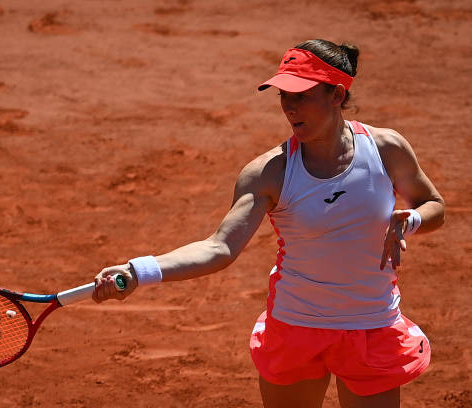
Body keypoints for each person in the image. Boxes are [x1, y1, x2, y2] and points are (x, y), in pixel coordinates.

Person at [92, 39, 445, 408]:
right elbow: (220, 247)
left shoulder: (386, 150)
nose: (289, 107)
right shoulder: (269, 172)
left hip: (372, 324)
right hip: (297, 327)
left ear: (337, 95)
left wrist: (414, 219)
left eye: (301, 95)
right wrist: (139, 271)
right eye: (283, 96)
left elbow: (433, 203)